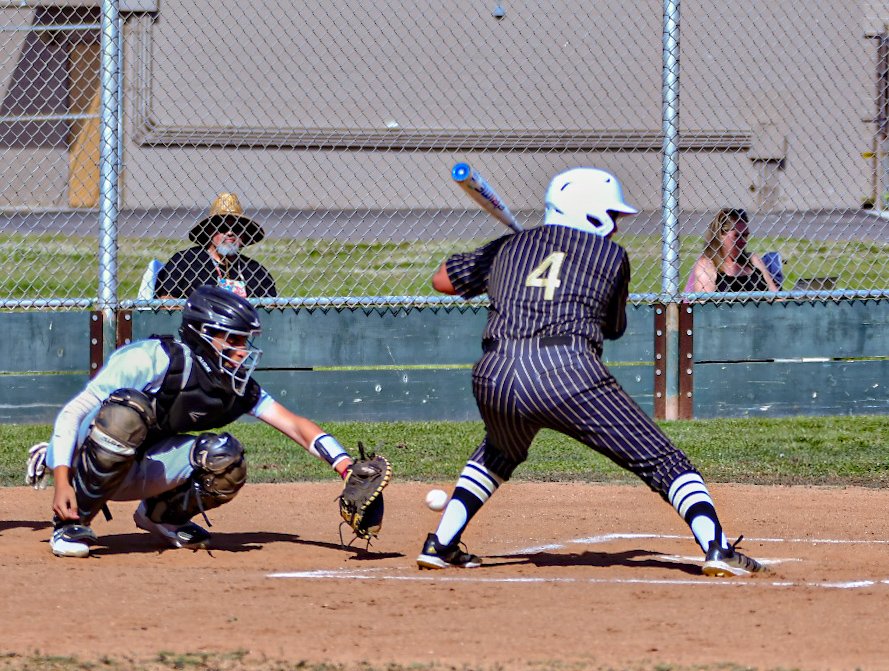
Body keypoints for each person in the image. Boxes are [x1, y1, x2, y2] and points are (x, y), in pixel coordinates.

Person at [416, 167, 766, 577]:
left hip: (495, 373)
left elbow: (442, 280)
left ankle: (441, 543)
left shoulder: (508, 247)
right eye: (612, 216)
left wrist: (504, 263)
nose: (617, 226)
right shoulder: (611, 257)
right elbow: (612, 329)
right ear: (591, 214)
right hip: (565, 372)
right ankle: (718, 548)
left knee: (499, 451)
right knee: (665, 461)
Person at [36, 285, 387, 557]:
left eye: (245, 340)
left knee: (226, 457)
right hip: (84, 458)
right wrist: (62, 479)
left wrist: (344, 466)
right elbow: (74, 412)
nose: (242, 350)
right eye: (232, 339)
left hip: (140, 464)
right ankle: (71, 521)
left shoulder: (232, 385)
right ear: (203, 334)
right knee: (128, 410)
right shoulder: (153, 358)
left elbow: (294, 424)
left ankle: (163, 516)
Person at [155, 192, 277, 300]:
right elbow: (166, 301)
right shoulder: (184, 262)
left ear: (244, 235)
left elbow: (271, 309)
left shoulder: (256, 271)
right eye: (223, 227)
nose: (230, 233)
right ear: (209, 231)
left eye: (237, 228)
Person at [685, 208, 779, 293]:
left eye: (745, 235)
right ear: (721, 236)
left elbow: (776, 296)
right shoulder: (707, 265)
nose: (743, 241)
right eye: (737, 236)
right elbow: (705, 308)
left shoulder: (752, 260)